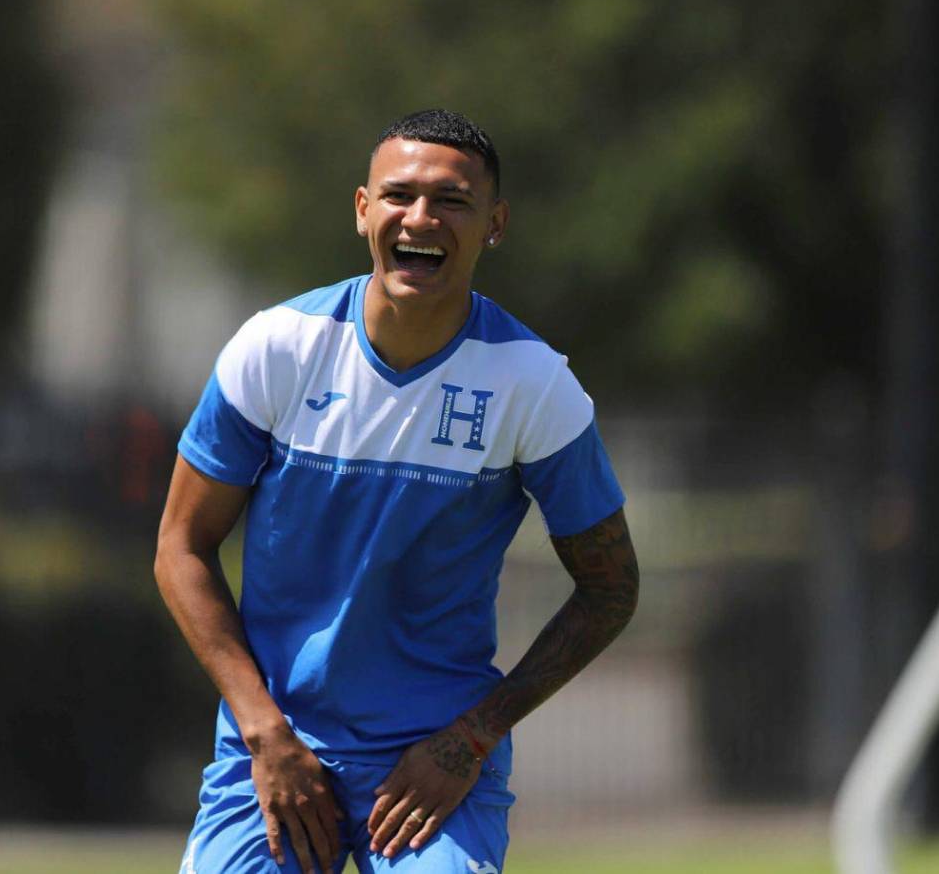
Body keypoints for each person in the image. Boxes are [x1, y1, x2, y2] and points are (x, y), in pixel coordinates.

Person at [154, 109, 639, 873]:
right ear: (362, 210)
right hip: (277, 751)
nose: (421, 218)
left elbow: (611, 588)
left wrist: (470, 739)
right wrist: (265, 733)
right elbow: (181, 546)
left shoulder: (533, 385)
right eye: (399, 196)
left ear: (495, 224)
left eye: (451, 201)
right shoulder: (278, 349)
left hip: (433, 766)